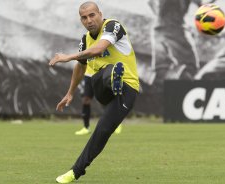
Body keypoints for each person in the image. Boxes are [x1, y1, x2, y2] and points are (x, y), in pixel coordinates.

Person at [49, 1, 139, 183]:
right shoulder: (85, 40)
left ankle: (74, 172)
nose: (89, 20)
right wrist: (70, 93)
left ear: (100, 13)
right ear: (81, 20)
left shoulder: (113, 26)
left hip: (128, 88)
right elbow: (80, 68)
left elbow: (99, 49)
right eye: (84, 17)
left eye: (92, 15)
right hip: (103, 88)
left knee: (102, 130)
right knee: (99, 76)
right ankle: (112, 77)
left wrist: (68, 56)